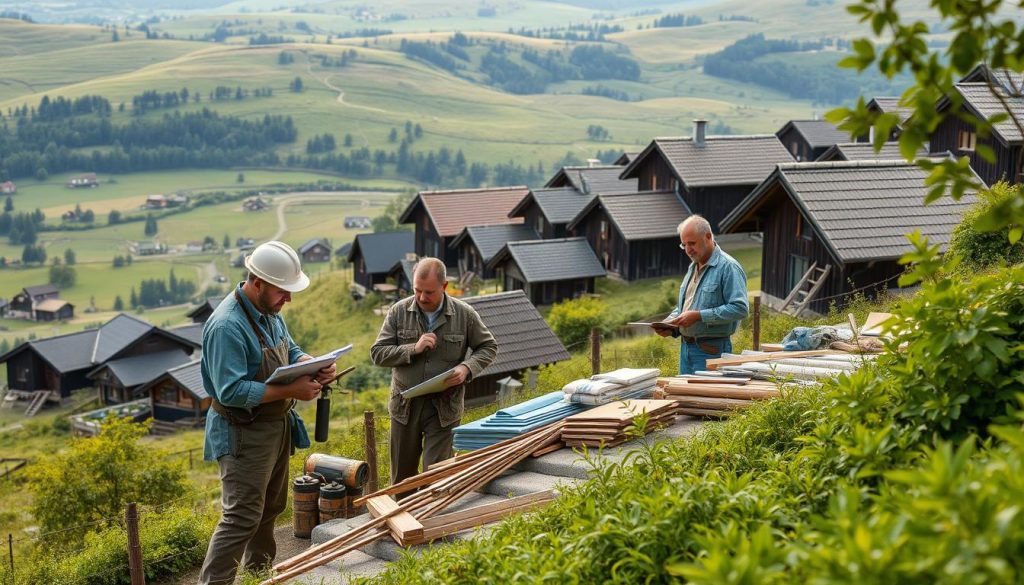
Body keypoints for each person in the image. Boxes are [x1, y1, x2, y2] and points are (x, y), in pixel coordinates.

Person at [198, 240, 336, 585]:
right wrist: (292, 390)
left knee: (270, 509)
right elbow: (230, 391)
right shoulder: (226, 326)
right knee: (241, 517)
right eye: (282, 290)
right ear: (257, 282)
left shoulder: (269, 313)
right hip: (243, 431)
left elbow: (290, 349)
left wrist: (311, 364)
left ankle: (259, 576)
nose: (288, 298)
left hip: (274, 427)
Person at [370, 257, 497, 486]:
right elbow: (378, 353)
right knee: (402, 480)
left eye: (428, 292)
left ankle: (430, 519)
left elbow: (488, 347)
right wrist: (413, 348)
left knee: (437, 478)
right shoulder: (398, 312)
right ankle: (402, 520)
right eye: (417, 290)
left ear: (444, 286)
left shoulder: (464, 315)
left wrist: (466, 367)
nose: (421, 297)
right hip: (405, 408)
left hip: (444, 409)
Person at [659, 215, 749, 374]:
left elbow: (740, 308)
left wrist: (699, 316)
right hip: (686, 348)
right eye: (684, 244)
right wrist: (670, 324)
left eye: (692, 243)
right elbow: (687, 305)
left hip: (711, 350)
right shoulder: (693, 266)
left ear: (708, 237)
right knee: (684, 396)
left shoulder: (728, 267)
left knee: (708, 397)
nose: (688, 249)